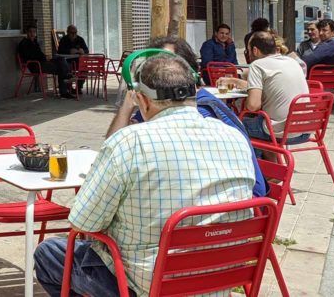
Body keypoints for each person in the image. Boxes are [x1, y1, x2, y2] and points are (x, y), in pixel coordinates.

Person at [35, 54, 255, 296]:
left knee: (49, 253)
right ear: (195, 92)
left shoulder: (130, 142)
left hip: (147, 286)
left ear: (142, 100)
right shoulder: (234, 137)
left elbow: (81, 222)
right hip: (218, 280)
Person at [111, 35, 266, 197]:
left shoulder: (203, 115)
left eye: (167, 65)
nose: (157, 73)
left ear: (188, 73)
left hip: (230, 206)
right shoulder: (160, 105)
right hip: (232, 210)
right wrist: (127, 106)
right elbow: (116, 146)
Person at [220, 31, 309, 144]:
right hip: (305, 129)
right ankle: (270, 160)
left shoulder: (257, 65)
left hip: (280, 131)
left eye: (248, 50)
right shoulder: (292, 62)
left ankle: (252, 160)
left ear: (255, 50)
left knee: (231, 123)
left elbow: (253, 106)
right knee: (257, 123)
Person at [17, 27, 75, 99]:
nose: (32, 34)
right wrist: (44, 57)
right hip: (35, 65)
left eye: (34, 32)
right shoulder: (24, 43)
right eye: (30, 32)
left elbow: (40, 54)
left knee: (61, 59)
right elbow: (29, 56)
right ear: (27, 33)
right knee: (61, 68)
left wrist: (45, 57)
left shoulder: (35, 42)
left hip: (42, 62)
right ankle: (65, 86)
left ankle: (67, 78)